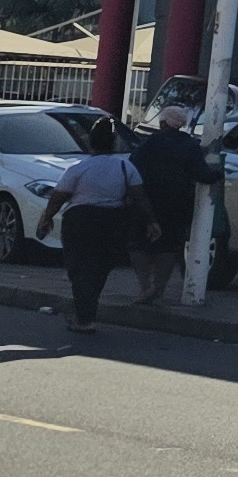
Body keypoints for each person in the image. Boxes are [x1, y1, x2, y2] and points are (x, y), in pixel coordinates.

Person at [52, 117, 146, 340]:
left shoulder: (79, 168)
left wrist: (46, 218)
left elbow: (59, 196)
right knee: (100, 268)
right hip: (112, 221)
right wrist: (151, 222)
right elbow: (140, 197)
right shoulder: (125, 167)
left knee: (79, 269)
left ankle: (84, 319)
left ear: (90, 141)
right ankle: (87, 313)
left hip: (80, 221)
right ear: (113, 142)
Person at [129, 103, 212, 303]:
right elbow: (203, 173)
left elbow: (132, 166)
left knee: (139, 243)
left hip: (148, 200)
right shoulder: (190, 145)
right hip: (177, 202)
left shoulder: (149, 144)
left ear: (163, 123)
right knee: (168, 246)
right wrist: (217, 174)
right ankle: (159, 288)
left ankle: (145, 286)